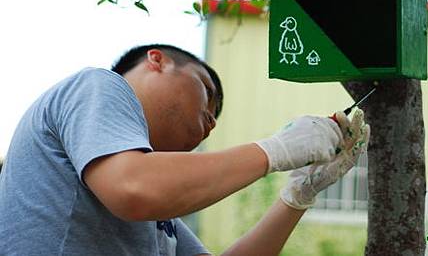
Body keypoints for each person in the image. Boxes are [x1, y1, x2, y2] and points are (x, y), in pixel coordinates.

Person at [0, 44, 369, 256]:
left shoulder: (159, 212)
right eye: (208, 92)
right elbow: (135, 189)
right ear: (156, 60)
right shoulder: (98, 85)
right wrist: (275, 150)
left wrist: (296, 195)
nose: (211, 121)